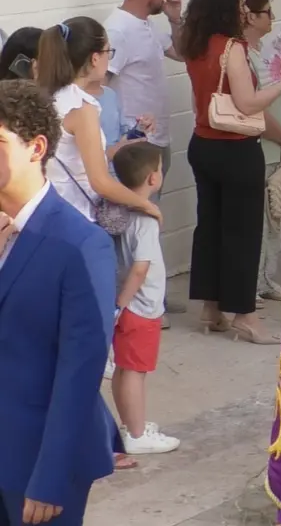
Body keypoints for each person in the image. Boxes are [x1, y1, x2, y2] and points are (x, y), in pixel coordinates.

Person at [0, 80, 118, 526]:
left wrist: (50, 477)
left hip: (39, 460)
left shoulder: (80, 245)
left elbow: (79, 371)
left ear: (36, 148)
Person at [178, 0, 281, 345]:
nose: (244, 8)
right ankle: (245, 316)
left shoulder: (194, 43)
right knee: (244, 233)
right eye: (239, 2)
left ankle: (212, 307)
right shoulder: (231, 47)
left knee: (211, 226)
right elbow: (248, 104)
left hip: (202, 142)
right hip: (234, 146)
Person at [36, 18, 161, 224]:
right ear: (95, 58)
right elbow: (100, 182)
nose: (108, 59)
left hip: (47, 211)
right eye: (108, 52)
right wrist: (145, 204)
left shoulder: (46, 97)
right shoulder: (82, 107)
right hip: (76, 217)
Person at [109, 142, 180, 456]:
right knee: (136, 371)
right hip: (141, 308)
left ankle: (128, 426)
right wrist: (122, 304)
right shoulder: (147, 220)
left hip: (125, 307)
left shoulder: (119, 210)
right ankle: (137, 435)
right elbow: (140, 269)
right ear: (153, 178)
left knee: (124, 369)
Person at [104, 0, 184, 188]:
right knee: (142, 214)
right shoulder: (118, 30)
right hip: (135, 143)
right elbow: (100, 87)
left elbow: (181, 53)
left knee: (152, 212)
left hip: (156, 138)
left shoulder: (147, 24)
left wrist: (175, 19)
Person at [241, 0, 281, 302]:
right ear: (250, 15)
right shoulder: (243, 56)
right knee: (259, 220)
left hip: (278, 142)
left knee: (275, 217)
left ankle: (265, 277)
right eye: (266, 12)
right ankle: (254, 281)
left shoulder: (264, 52)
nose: (272, 18)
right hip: (265, 143)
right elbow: (254, 107)